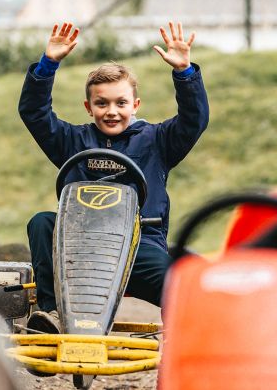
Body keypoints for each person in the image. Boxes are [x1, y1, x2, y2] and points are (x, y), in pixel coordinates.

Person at [18, 21, 209, 334]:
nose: (111, 111)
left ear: (134, 105)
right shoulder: (72, 141)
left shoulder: (157, 141)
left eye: (121, 103)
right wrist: (48, 64)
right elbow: (34, 113)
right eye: (102, 103)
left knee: (176, 280)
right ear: (88, 106)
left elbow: (194, 120)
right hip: (77, 245)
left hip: (139, 246)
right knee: (41, 221)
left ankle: (182, 340)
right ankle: (50, 313)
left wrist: (184, 73)